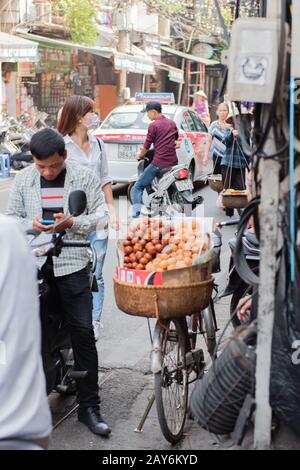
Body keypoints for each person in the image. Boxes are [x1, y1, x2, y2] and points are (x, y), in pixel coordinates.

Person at [6, 128, 111, 437]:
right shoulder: (24, 179)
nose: (48, 171)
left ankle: (89, 406)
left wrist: (73, 222)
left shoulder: (83, 177)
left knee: (82, 332)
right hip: (34, 264)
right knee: (25, 335)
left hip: (73, 263)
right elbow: (13, 218)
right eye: (41, 166)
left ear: (64, 156)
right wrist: (31, 224)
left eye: (53, 165)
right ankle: (26, 404)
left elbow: (102, 215)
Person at [57, 95, 117, 340]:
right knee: (73, 270)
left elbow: (105, 179)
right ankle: (73, 320)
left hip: (98, 217)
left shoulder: (99, 144)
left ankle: (94, 321)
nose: (94, 116)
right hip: (71, 220)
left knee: (97, 273)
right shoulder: (61, 146)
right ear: (79, 116)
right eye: (91, 112)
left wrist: (111, 209)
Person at [0, 215, 52, 449]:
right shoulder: (7, 234)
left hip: (14, 428)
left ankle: (89, 403)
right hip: (18, 427)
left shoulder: (7, 236)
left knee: (83, 329)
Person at [132, 101, 179, 218]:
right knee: (164, 187)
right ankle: (162, 209)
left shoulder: (153, 125)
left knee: (138, 186)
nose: (147, 116)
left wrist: (140, 155)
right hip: (173, 162)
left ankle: (136, 214)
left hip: (159, 163)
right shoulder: (172, 123)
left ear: (153, 112)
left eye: (147, 113)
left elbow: (146, 146)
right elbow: (175, 138)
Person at [221, 113, 250, 217]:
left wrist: (249, 164)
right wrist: (232, 135)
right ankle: (229, 211)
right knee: (228, 189)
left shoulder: (246, 133)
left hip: (240, 164)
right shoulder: (228, 130)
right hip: (228, 163)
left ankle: (240, 211)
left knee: (240, 189)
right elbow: (226, 142)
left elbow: (248, 150)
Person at [203, 102, 230, 172]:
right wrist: (205, 156)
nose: (222, 113)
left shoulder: (230, 125)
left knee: (226, 180)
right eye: (220, 110)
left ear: (228, 112)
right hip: (216, 157)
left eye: (224, 110)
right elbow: (209, 141)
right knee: (216, 180)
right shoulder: (213, 125)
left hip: (228, 158)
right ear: (217, 112)